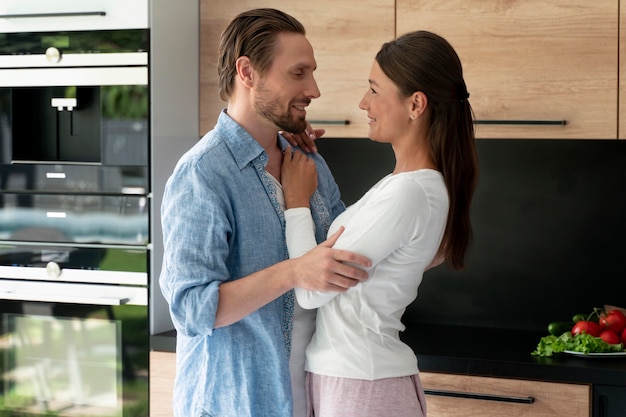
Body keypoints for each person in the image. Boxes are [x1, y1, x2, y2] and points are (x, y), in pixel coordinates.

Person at [158, 8, 371, 417]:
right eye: (298, 73)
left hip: (312, 399)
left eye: (312, 73)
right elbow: (191, 308)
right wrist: (295, 271)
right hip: (236, 403)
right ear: (248, 72)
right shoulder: (202, 175)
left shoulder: (308, 162)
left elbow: (348, 251)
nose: (314, 89)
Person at [280, 30, 479, 417]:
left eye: (374, 89)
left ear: (416, 104)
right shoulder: (402, 187)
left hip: (362, 386)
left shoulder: (410, 193)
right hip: (355, 380)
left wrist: (296, 201)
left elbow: (310, 291)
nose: (363, 102)